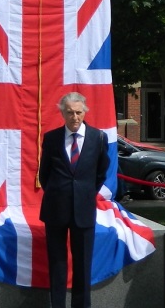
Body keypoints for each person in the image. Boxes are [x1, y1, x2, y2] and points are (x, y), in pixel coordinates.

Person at [38, 92, 109, 308]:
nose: (74, 117)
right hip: (56, 210)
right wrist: (61, 193)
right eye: (69, 112)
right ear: (62, 113)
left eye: (78, 112)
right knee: (58, 265)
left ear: (85, 112)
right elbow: (44, 175)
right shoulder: (51, 138)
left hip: (84, 210)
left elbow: (101, 173)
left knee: (83, 266)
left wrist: (83, 193)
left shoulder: (98, 138)